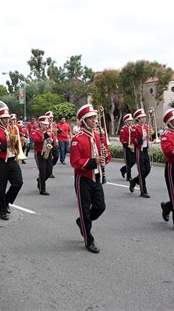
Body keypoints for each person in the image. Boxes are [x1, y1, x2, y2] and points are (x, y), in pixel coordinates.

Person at [70, 104, 111, 254]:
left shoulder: (100, 135)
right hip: (83, 179)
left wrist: (105, 158)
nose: (95, 120)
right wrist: (93, 161)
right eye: (91, 118)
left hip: (97, 177)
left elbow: (107, 155)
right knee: (85, 211)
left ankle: (82, 223)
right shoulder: (77, 139)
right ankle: (89, 240)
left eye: (95, 117)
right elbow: (75, 162)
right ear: (84, 121)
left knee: (100, 207)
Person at [0, 102, 23, 220]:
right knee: (1, 187)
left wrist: (21, 142)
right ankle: (2, 210)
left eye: (8, 118)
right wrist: (5, 144)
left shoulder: (13, 128)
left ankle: (6, 201)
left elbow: (18, 143)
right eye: (4, 119)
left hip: (13, 160)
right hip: (1, 161)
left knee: (18, 183)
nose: (7, 121)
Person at [129, 109, 152, 198]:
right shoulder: (134, 128)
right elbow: (134, 140)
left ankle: (134, 181)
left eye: (144, 117)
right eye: (142, 118)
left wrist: (152, 135)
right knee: (142, 172)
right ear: (138, 119)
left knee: (148, 170)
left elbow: (151, 138)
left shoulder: (146, 127)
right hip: (139, 151)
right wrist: (144, 137)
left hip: (146, 150)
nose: (144, 119)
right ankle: (143, 191)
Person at [30, 116, 53, 195]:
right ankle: (42, 189)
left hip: (48, 151)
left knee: (49, 170)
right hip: (39, 153)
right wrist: (44, 137)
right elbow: (36, 141)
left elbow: (52, 140)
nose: (46, 126)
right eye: (44, 124)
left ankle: (40, 180)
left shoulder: (49, 131)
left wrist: (52, 141)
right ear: (40, 124)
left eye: (47, 124)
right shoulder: (35, 131)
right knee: (42, 171)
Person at [119, 114, 135, 181]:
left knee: (133, 161)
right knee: (128, 162)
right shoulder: (123, 129)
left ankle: (123, 169)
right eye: (129, 121)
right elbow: (122, 139)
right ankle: (129, 177)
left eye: (131, 121)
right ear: (125, 121)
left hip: (133, 147)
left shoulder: (133, 128)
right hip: (126, 147)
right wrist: (128, 146)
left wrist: (133, 146)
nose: (130, 122)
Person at [45, 111, 59, 178]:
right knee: (49, 158)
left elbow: (55, 133)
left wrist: (56, 140)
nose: (51, 119)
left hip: (54, 142)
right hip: (47, 143)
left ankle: (49, 167)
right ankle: (50, 172)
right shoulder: (45, 125)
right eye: (50, 117)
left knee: (56, 156)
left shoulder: (54, 125)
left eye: (52, 117)